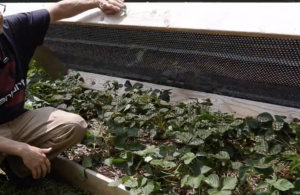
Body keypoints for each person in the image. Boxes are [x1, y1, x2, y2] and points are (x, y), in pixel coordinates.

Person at [0, 0, 125, 189]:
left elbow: (58, 9)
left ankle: (17, 167)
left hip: (16, 120)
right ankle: (17, 154)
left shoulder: (15, 28)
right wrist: (21, 148)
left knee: (73, 125)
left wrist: (97, 2)